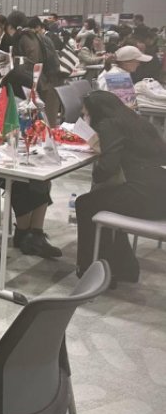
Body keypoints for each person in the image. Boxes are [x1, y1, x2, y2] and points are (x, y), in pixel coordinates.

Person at [75, 91, 166, 285]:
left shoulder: (108, 125)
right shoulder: (136, 121)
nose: (85, 119)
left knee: (85, 204)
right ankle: (123, 266)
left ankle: (93, 271)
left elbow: (106, 169)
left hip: (144, 196)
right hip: (159, 192)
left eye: (86, 114)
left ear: (96, 112)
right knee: (103, 200)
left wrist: (100, 156)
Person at [0, 72, 62, 258]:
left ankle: (35, 234)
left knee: (43, 177)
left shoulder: (23, 101)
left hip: (9, 151)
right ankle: (23, 233)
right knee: (22, 181)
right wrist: (11, 135)